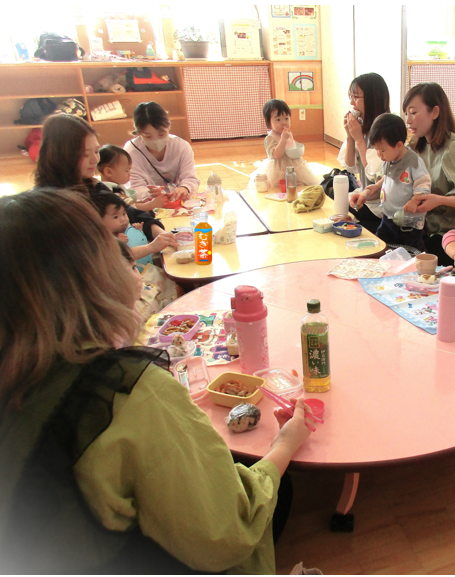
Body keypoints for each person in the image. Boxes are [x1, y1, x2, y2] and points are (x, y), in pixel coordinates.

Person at [0, 189, 313, 573]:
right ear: (93, 277)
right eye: (112, 247)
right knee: (280, 491)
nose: (126, 256)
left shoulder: (24, 372)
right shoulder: (129, 393)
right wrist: (284, 445)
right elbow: (226, 532)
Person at [35, 113, 171, 243]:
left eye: (96, 151)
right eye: (85, 154)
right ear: (62, 157)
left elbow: (126, 210)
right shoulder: (50, 206)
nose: (95, 160)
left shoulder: (93, 185)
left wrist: (157, 230)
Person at [403, 82, 455, 265]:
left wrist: (439, 200)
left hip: (451, 237)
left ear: (435, 112)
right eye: (406, 114)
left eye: (413, 112)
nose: (408, 121)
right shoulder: (418, 145)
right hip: (424, 228)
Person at [349, 113, 431, 251]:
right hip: (388, 217)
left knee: (413, 249)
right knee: (381, 246)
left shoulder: (414, 163)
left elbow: (424, 186)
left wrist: (414, 201)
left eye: (382, 150)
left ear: (399, 145)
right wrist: (370, 190)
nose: (379, 154)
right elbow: (386, 179)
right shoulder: (389, 159)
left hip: (408, 223)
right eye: (376, 150)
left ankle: (423, 261)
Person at [337, 72, 391, 232]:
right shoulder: (363, 126)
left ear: (372, 99)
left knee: (343, 212)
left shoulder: (385, 129)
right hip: (365, 195)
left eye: (356, 97)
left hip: (379, 202)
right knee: (336, 201)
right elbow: (350, 166)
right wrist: (350, 137)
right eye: (351, 96)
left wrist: (359, 139)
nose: (352, 102)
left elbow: (374, 175)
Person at [124, 101, 200, 201]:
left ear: (168, 127)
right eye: (148, 136)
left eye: (161, 134)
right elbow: (135, 187)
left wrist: (185, 188)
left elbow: (190, 177)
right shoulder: (132, 151)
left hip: (178, 201)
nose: (156, 140)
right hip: (149, 204)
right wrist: (150, 194)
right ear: (138, 133)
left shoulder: (181, 147)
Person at [91, 192, 176, 270]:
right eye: (115, 217)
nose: (123, 219)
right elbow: (122, 256)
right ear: (98, 221)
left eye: (124, 213)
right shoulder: (103, 241)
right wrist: (152, 247)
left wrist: (139, 233)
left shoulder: (126, 229)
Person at [252, 99, 318, 188]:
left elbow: (291, 147)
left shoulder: (288, 133)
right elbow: (277, 155)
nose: (283, 123)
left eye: (286, 118)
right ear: (269, 122)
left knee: (299, 186)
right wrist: (283, 139)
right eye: (278, 119)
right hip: (279, 170)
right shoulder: (271, 137)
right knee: (279, 188)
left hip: (294, 166)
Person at [97, 144, 167, 212]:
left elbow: (128, 202)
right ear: (108, 172)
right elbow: (129, 209)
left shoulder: (116, 187)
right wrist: (151, 205)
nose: (129, 174)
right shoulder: (110, 191)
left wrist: (141, 202)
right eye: (126, 170)